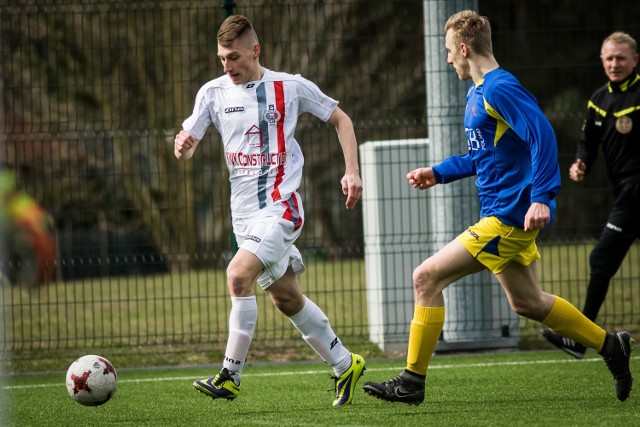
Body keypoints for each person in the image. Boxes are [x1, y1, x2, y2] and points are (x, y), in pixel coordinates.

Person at [362, 10, 634, 404]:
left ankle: (411, 381)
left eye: (449, 51)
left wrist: (542, 196)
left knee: (426, 278)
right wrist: (437, 172)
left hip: (507, 216)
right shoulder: (477, 93)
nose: (448, 59)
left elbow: (541, 134)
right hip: (503, 213)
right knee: (527, 302)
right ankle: (611, 345)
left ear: (465, 47)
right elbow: (482, 157)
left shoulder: (500, 88)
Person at [174, 15, 365, 407]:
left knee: (237, 275)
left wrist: (352, 172)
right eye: (221, 59)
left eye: (233, 57)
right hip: (244, 217)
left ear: (255, 50)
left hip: (281, 207)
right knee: (286, 299)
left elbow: (341, 119)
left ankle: (229, 376)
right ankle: (345, 363)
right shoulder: (212, 92)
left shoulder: (290, 87)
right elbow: (190, 143)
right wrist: (183, 145)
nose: (226, 67)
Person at [541, 32, 640, 360]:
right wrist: (581, 162)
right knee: (602, 262)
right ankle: (583, 339)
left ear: (634, 60)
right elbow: (589, 140)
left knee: (600, 260)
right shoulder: (599, 99)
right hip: (625, 191)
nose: (615, 64)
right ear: (601, 60)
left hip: (635, 193)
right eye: (609, 58)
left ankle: (582, 339)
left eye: (621, 58)